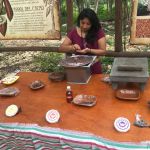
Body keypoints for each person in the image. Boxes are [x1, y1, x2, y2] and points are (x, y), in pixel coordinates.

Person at [59, 8, 106, 74]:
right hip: (77, 69)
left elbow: (103, 52)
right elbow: (61, 48)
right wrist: (72, 47)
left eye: (88, 24)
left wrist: (89, 50)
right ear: (79, 21)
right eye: (82, 23)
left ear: (93, 23)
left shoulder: (98, 32)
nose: (84, 26)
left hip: (94, 68)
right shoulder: (74, 32)